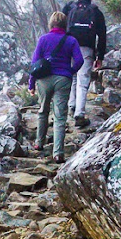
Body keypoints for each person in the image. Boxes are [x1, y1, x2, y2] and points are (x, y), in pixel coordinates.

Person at [28, 11, 84, 164]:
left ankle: (39, 143)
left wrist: (31, 84)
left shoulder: (43, 39)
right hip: (63, 79)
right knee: (60, 117)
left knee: (43, 111)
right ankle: (58, 153)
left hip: (44, 80)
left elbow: (35, 63)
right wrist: (69, 72)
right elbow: (79, 60)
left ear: (51, 24)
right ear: (65, 25)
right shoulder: (71, 40)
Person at [62, 0, 106, 129]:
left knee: (73, 76)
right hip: (86, 48)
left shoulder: (69, 8)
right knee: (83, 79)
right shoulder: (95, 11)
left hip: (69, 46)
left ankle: (71, 106)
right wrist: (100, 56)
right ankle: (79, 114)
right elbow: (102, 35)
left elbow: (60, 25)